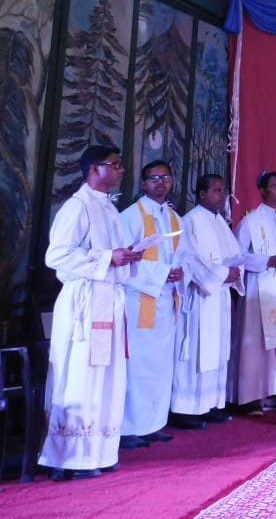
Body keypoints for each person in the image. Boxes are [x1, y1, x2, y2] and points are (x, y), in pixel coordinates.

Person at [39, 145, 142, 481]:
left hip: (110, 299)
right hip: (84, 304)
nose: (121, 169)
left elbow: (113, 255)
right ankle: (70, 456)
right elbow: (56, 256)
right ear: (95, 169)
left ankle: (100, 450)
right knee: (81, 378)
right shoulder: (77, 206)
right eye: (115, 164)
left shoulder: (110, 208)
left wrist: (128, 256)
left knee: (108, 378)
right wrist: (108, 258)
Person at [120, 160, 188, 448]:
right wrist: (162, 273)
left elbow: (185, 255)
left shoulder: (175, 218)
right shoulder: (130, 216)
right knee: (137, 366)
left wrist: (180, 272)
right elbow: (124, 262)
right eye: (154, 178)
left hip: (167, 301)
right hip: (139, 302)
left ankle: (153, 424)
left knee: (161, 366)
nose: (161, 183)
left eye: (165, 177)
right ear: (144, 183)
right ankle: (128, 428)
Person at [170, 174, 244, 428]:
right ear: (202, 194)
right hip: (200, 298)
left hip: (219, 297)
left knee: (218, 350)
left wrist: (235, 272)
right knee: (197, 351)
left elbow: (235, 255)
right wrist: (223, 274)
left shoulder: (220, 221)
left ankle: (211, 403)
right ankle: (186, 409)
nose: (222, 195)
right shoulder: (190, 221)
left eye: (224, 190)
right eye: (217, 190)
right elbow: (191, 260)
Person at [229, 171, 276, 414]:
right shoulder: (250, 222)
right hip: (260, 288)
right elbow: (237, 256)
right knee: (258, 343)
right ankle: (252, 395)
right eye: (275, 186)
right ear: (262, 190)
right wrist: (266, 261)